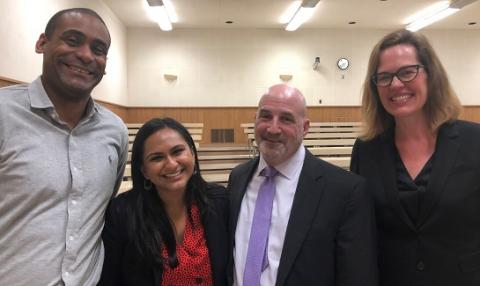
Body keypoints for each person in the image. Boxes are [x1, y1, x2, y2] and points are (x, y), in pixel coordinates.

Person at [0, 8, 128, 286]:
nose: (85, 55)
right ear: (42, 43)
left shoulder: (115, 131)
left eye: (98, 49)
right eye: (72, 40)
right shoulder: (3, 113)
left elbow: (103, 204)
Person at [350, 29, 480, 286]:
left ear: (431, 75)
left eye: (407, 72)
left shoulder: (474, 141)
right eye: (384, 77)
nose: (396, 84)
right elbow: (361, 228)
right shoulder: (366, 149)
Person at [228, 84, 377, 286]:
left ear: (305, 127)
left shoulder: (345, 191)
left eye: (286, 119)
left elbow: (357, 278)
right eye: (265, 116)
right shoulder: (238, 178)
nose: (273, 128)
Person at [99, 117, 229, 286]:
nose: (171, 164)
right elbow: (110, 280)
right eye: (157, 158)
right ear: (144, 170)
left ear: (192, 153)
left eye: (177, 151)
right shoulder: (121, 213)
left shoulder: (219, 201)